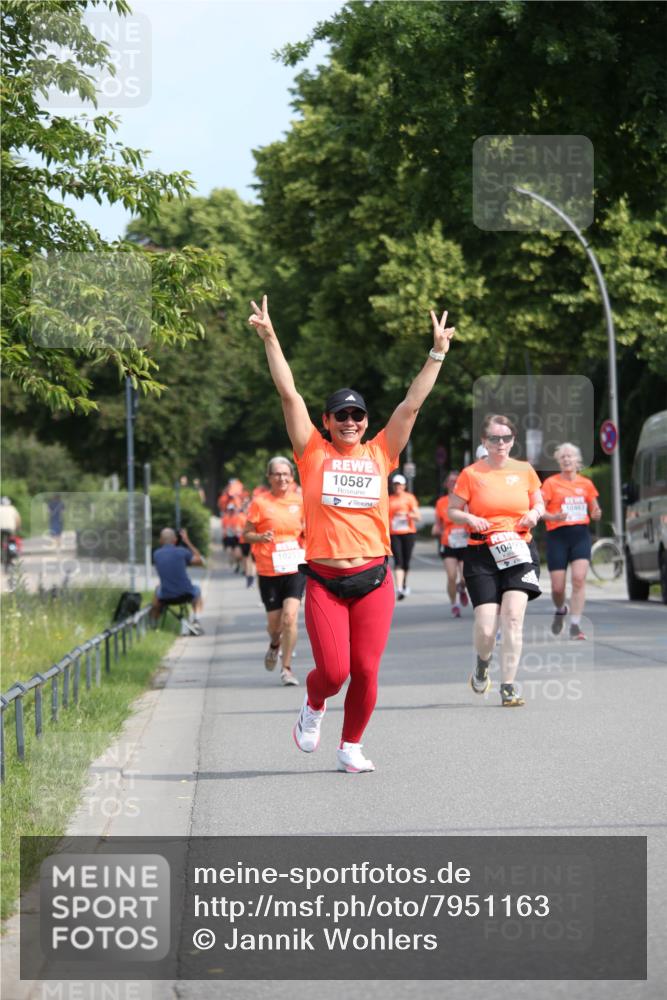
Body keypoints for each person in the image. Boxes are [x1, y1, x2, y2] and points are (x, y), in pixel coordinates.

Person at [249, 294, 454, 772]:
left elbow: (412, 403)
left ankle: (351, 745)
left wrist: (437, 352)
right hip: (324, 580)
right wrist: (271, 337)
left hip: (374, 578)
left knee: (365, 670)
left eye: (357, 415)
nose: (349, 421)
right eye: (340, 415)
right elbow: (289, 394)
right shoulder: (312, 454)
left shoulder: (381, 452)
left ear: (365, 423)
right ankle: (314, 702)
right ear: (327, 422)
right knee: (334, 671)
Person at [448, 415, 544, 707]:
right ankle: (482, 663)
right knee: (487, 627)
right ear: (484, 442)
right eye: (494, 438)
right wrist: (470, 517)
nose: (500, 444)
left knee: (513, 618)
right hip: (482, 554)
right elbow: (453, 511)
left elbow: (538, 502)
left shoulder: (525, 470)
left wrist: (534, 514)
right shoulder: (471, 474)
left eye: (505, 438)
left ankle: (509, 685)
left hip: (519, 550)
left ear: (513, 440)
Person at [245, 456, 306, 687]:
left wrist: (308, 538)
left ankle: (287, 668)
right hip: (269, 570)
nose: (282, 478)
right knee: (275, 625)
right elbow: (246, 534)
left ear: (292, 477)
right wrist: (261, 537)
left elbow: (308, 530)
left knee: (290, 617)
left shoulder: (301, 501)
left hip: (295, 567)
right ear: (269, 477)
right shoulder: (260, 503)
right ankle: (274, 644)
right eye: (277, 474)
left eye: (286, 474)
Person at [541, 442, 601, 640]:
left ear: (577, 460)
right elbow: (540, 511)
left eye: (570, 456)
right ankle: (560, 608)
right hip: (557, 536)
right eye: (563, 457)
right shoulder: (550, 484)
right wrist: (554, 517)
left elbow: (594, 510)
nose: (567, 459)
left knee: (578, 579)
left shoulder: (586, 484)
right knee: (558, 587)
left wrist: (597, 512)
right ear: (559, 461)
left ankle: (575, 625)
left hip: (580, 536)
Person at [151, 527, 205, 634]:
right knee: (197, 589)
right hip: (186, 594)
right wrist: (187, 541)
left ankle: (153, 623)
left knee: (157, 589)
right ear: (175, 540)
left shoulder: (156, 554)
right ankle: (196, 620)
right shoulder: (182, 552)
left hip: (165, 597)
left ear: (161, 540)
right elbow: (200, 561)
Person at [433, 471, 469, 617]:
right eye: (451, 481)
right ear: (446, 483)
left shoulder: (466, 500)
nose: (453, 483)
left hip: (466, 542)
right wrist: (436, 529)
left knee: (466, 577)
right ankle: (454, 604)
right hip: (448, 543)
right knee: (451, 576)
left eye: (456, 480)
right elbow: (438, 524)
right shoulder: (441, 502)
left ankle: (462, 588)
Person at [387, 473, 421, 599]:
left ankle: (404, 583)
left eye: (400, 484)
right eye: (395, 484)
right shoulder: (389, 499)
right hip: (394, 534)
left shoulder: (410, 498)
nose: (398, 487)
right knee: (398, 561)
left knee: (406, 562)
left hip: (409, 533)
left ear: (404, 486)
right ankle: (400, 588)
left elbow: (418, 516)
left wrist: (407, 515)